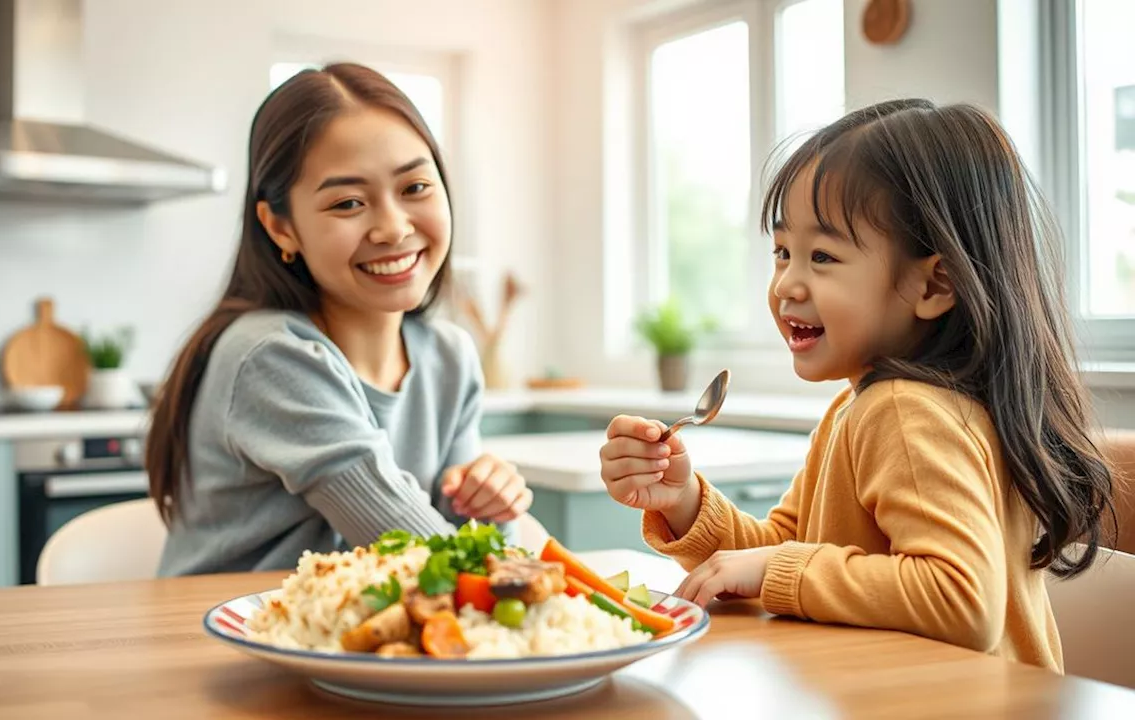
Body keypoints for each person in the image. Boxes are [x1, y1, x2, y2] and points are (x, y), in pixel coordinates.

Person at [600, 99, 1115, 671]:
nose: (787, 285)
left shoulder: (904, 410)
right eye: (781, 252)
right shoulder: (861, 405)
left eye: (821, 256)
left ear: (934, 284)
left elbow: (961, 598)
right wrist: (685, 501)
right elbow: (783, 548)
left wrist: (776, 570)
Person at [146, 63, 530, 577]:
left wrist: (494, 507)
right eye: (349, 202)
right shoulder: (271, 357)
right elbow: (435, 559)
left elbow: (473, 555)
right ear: (281, 227)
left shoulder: (449, 358)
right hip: (227, 645)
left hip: (368, 648)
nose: (393, 228)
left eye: (415, 187)